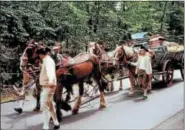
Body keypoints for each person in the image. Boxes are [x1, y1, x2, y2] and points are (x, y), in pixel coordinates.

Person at [37, 47, 60, 130]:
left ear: (40, 55)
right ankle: (56, 123)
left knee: (44, 105)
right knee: (50, 105)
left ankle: (45, 127)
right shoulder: (46, 60)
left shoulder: (48, 61)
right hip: (47, 86)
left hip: (48, 86)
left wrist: (50, 80)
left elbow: (50, 72)